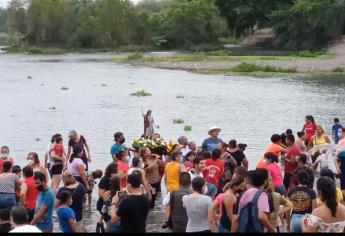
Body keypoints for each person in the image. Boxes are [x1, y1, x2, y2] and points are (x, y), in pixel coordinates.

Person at [96, 162, 118, 232]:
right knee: (110, 225)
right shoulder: (105, 179)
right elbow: (100, 194)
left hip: (111, 205)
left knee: (110, 225)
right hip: (104, 204)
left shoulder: (116, 178)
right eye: (118, 169)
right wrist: (110, 198)